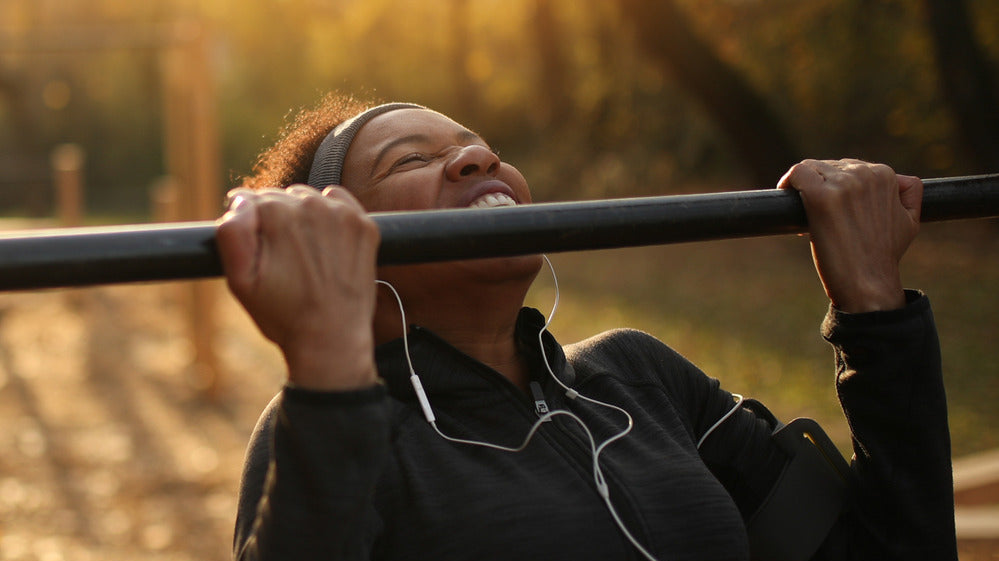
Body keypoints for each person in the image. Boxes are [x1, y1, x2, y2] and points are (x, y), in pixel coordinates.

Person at [218, 94, 957, 561]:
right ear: (342, 241)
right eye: (410, 158)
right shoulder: (327, 426)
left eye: (482, 148)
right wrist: (327, 364)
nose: (478, 158)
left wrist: (873, 310)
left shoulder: (641, 375)